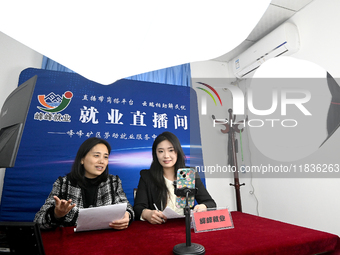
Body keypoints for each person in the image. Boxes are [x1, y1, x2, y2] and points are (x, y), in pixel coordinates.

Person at [34, 137, 134, 230]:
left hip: (104, 239)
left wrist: (127, 215)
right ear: (82, 159)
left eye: (105, 157)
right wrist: (56, 214)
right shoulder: (63, 183)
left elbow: (128, 208)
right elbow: (38, 221)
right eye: (96, 155)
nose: (102, 161)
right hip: (71, 242)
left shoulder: (113, 182)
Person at [133, 131, 216, 224]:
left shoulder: (190, 174)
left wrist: (203, 206)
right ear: (155, 154)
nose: (166, 156)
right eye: (161, 151)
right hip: (159, 227)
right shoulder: (147, 176)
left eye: (171, 150)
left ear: (178, 152)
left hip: (185, 226)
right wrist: (147, 214)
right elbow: (138, 207)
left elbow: (210, 203)